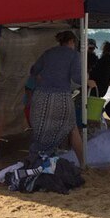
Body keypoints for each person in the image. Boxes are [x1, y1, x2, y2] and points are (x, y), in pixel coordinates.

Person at [28, 30, 85, 162]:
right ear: (71, 42)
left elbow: (33, 70)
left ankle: (37, 158)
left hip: (41, 97)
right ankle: (82, 162)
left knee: (40, 131)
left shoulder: (48, 53)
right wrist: (88, 80)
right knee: (72, 129)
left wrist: (40, 77)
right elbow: (77, 78)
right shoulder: (74, 55)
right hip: (61, 98)